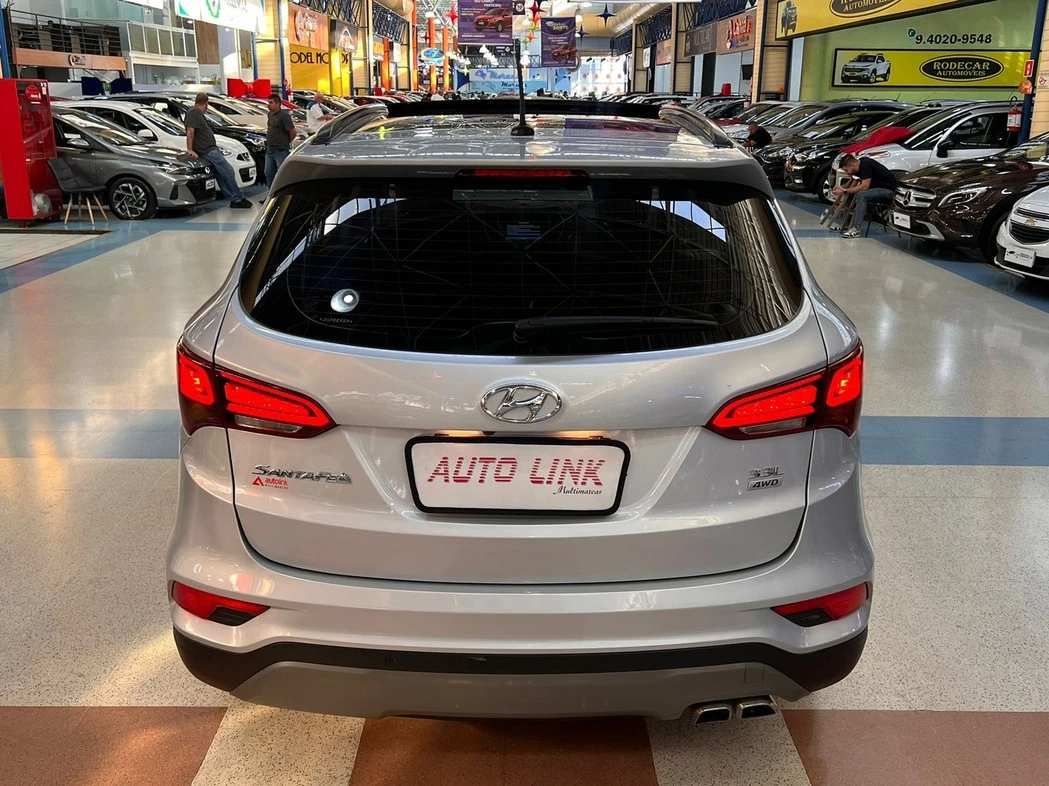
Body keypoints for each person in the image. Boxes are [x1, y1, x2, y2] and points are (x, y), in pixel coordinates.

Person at [184, 92, 251, 209]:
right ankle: (238, 197)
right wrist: (189, 149)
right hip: (207, 150)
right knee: (228, 171)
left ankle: (234, 198)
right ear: (206, 103)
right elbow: (190, 131)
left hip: (209, 149)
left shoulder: (196, 112)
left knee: (221, 174)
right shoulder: (194, 112)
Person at [833, 153, 898, 238]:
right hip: (876, 189)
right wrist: (842, 187)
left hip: (888, 191)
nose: (847, 173)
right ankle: (846, 225)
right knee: (850, 193)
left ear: (852, 165)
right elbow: (855, 182)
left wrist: (845, 190)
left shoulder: (865, 165)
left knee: (861, 195)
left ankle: (856, 229)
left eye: (846, 170)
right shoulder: (858, 166)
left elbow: (865, 186)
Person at [264, 93, 297, 189]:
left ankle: (283, 194)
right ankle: (271, 194)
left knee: (282, 174)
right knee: (269, 173)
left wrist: (286, 142)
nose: (268, 105)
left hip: (280, 151)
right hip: (270, 150)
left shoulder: (284, 116)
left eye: (271, 102)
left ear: (278, 104)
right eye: (268, 102)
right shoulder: (270, 114)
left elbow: (293, 132)